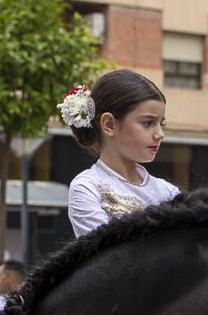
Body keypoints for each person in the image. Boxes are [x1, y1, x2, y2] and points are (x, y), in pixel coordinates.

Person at [63, 69, 182, 237]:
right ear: (109, 124)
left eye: (161, 124)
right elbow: (105, 255)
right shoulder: (87, 188)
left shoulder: (168, 192)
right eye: (148, 123)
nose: (160, 134)